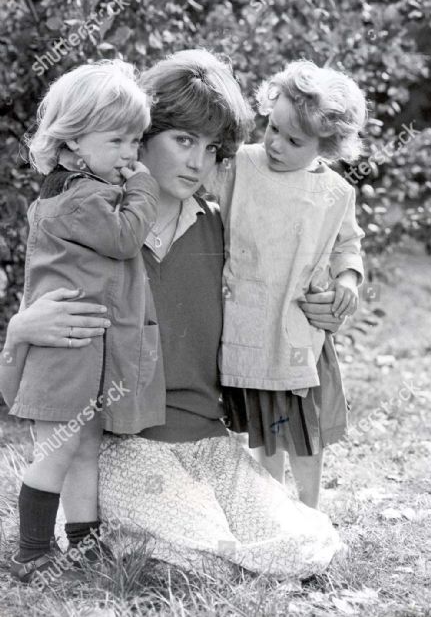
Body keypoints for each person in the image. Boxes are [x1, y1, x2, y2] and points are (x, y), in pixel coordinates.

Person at [0, 50, 347, 581]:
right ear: (142, 137)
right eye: (183, 141)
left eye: (212, 149)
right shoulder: (94, 230)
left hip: (211, 447)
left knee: (305, 542)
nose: (196, 162)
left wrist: (338, 291)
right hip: (129, 451)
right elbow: (29, 377)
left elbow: (311, 225)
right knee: (200, 558)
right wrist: (19, 330)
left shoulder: (223, 226)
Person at [4, 60, 165, 582]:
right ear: (72, 145)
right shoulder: (80, 198)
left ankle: (85, 542)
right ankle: (32, 551)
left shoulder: (83, 191)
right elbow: (124, 238)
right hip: (63, 351)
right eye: (117, 141)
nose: (130, 155)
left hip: (83, 349)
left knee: (83, 449)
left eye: (136, 142)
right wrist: (145, 189)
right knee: (59, 450)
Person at [216, 60, 366, 508]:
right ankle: (272, 512)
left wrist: (348, 280)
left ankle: (308, 510)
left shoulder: (336, 193)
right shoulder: (241, 167)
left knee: (304, 429)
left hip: (300, 329)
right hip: (249, 322)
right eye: (272, 128)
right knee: (266, 429)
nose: (276, 143)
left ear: (328, 145)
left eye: (294, 140)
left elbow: (348, 245)